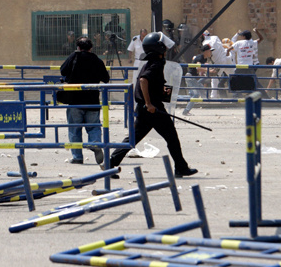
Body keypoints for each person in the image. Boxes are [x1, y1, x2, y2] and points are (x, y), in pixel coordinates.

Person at [110, 32, 197, 178]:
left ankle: (110, 163)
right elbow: (144, 81)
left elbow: (151, 84)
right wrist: (149, 103)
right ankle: (181, 167)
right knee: (171, 138)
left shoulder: (151, 63)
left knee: (134, 138)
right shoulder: (155, 64)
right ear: (159, 48)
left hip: (147, 109)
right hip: (152, 109)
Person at [61, 37, 109, 165]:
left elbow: (63, 70)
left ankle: (77, 157)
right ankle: (95, 143)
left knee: (74, 129)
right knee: (93, 127)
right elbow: (106, 79)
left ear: (78, 47)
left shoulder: (74, 57)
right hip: (92, 101)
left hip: (75, 101)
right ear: (91, 48)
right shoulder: (97, 60)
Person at [183, 44, 215, 116]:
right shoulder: (200, 57)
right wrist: (209, 70)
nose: (211, 52)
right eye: (210, 51)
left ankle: (207, 99)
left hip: (193, 78)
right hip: (190, 77)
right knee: (196, 94)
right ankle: (185, 110)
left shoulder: (204, 58)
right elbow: (198, 68)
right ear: (206, 51)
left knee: (200, 90)